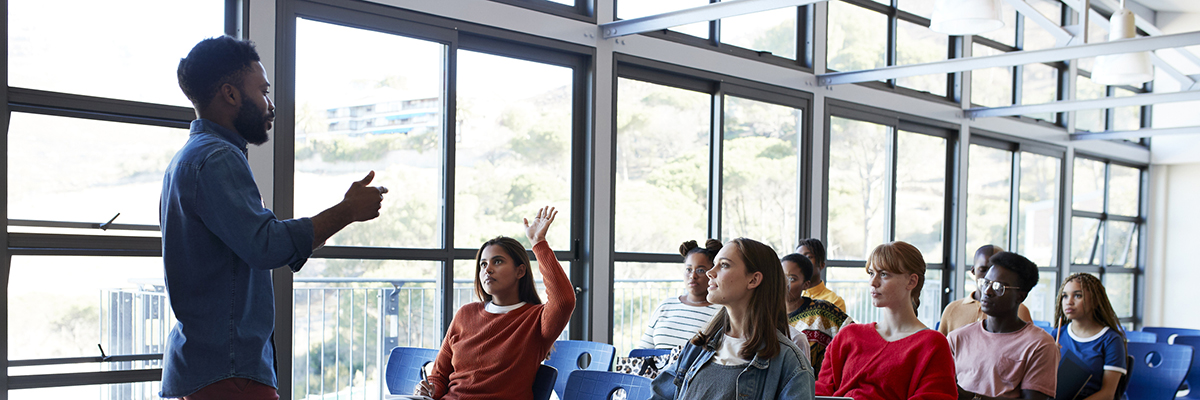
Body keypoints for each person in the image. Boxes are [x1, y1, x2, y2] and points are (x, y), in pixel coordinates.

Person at [161, 36, 386, 400]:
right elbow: (265, 245)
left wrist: (332, 220)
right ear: (231, 94)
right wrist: (347, 211)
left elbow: (260, 242)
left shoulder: (191, 158)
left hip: (210, 368)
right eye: (263, 91)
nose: (270, 105)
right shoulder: (217, 158)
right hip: (230, 374)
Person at [416, 206, 574, 399]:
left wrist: (538, 243)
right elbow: (439, 376)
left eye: (497, 262)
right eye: (483, 264)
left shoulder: (536, 318)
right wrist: (430, 390)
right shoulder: (465, 314)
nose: (487, 269)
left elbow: (564, 300)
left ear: (520, 271)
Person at [651, 238, 814, 400]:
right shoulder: (697, 347)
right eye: (714, 264)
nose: (710, 272)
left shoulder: (791, 365)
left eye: (724, 265)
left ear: (753, 280)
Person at [816, 241, 957, 400]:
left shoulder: (932, 344)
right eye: (871, 273)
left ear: (911, 281)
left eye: (884, 274)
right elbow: (821, 392)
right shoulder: (848, 335)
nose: (873, 282)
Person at [947, 252, 1058, 400]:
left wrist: (974, 397)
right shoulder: (958, 337)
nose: (987, 292)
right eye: (985, 283)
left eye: (999, 287)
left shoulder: (1039, 344)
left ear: (1021, 296)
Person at [1050, 273, 1127, 400]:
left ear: (1095, 301)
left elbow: (1108, 394)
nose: (1069, 302)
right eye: (1065, 296)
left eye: (1078, 296)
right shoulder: (1057, 334)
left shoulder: (1111, 340)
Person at [636, 239, 724, 350]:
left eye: (700, 270)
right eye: (688, 269)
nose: (693, 276)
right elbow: (642, 351)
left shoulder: (721, 312)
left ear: (712, 273)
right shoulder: (666, 305)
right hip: (656, 367)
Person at [782, 253, 853, 379]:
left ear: (806, 285)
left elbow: (854, 336)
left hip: (817, 392)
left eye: (792, 279)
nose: (784, 283)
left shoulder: (821, 311)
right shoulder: (767, 314)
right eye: (780, 276)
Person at [938, 245, 1032, 335]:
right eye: (983, 269)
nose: (990, 275)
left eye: (996, 270)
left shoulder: (1020, 310)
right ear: (973, 271)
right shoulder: (952, 309)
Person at [796, 238, 847, 312]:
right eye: (798, 258)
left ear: (822, 264)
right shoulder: (791, 298)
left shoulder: (834, 301)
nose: (802, 263)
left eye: (808, 257)